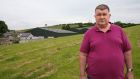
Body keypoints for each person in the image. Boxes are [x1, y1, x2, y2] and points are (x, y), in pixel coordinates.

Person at [79, 4, 133, 79]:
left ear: (109, 15)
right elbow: (83, 54)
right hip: (94, 77)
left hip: (117, 76)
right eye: (99, 15)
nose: (102, 17)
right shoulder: (89, 33)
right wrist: (82, 75)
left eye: (104, 14)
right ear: (95, 16)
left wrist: (130, 71)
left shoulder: (119, 30)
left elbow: (127, 52)